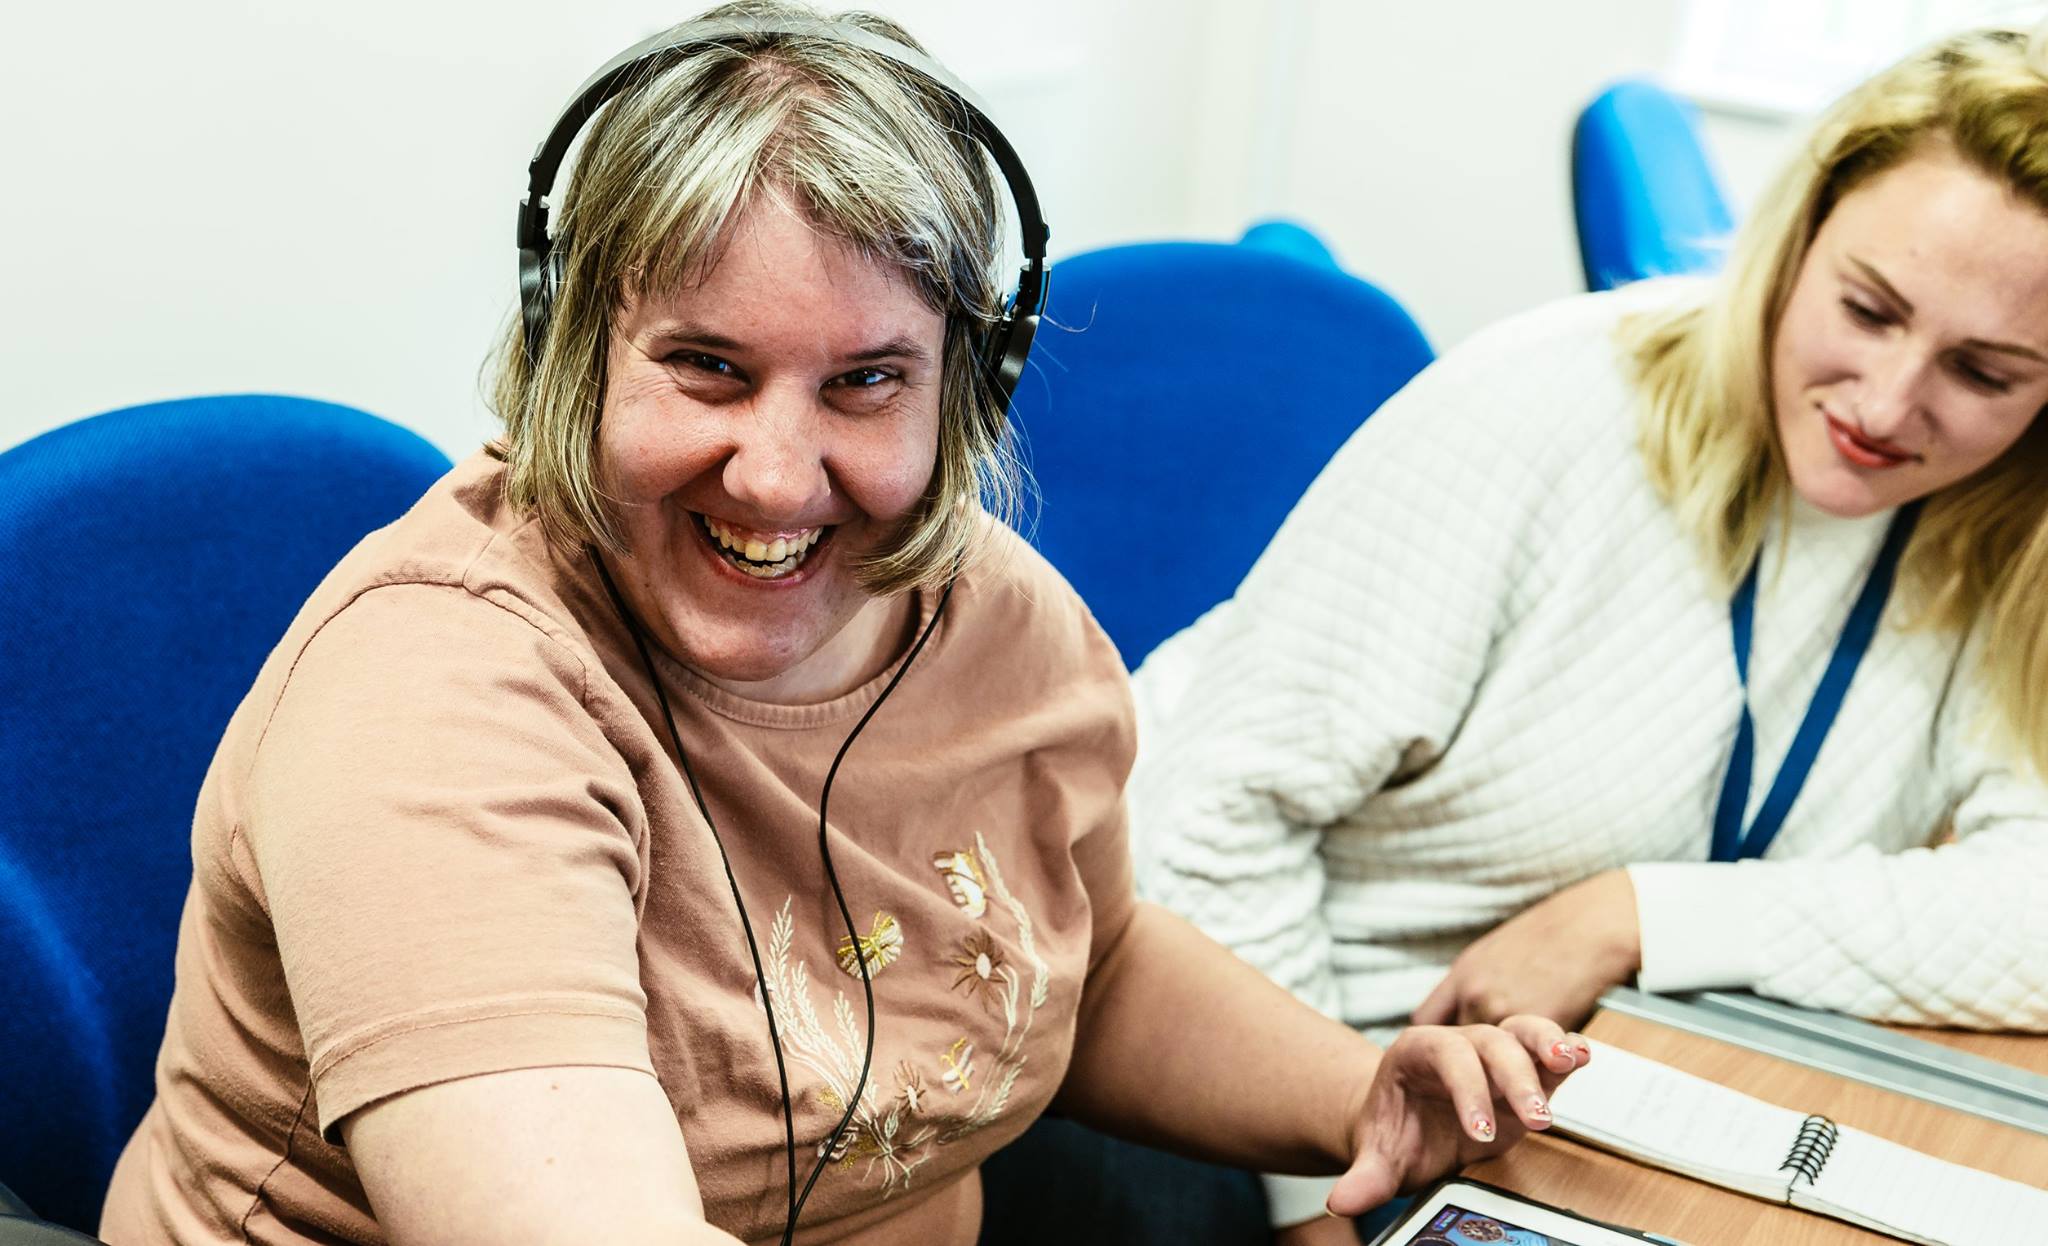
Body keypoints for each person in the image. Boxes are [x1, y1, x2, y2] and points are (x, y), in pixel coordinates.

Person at [97, 7, 1587, 1245]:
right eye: (707, 367)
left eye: (867, 380)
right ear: (570, 352)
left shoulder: (999, 623)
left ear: (966, 387)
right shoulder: (438, 699)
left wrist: (1359, 1092)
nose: (777, 472)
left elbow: (1093, 957)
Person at [1128, 22, 2048, 1244]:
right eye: (1866, 310)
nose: (1884, 407)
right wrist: (1316, 1200)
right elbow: (1207, 815)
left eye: (1983, 374)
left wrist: (1632, 913)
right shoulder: (1549, 405)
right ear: (1796, 238)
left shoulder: (1998, 533)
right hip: (1220, 1066)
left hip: (1542, 1105)